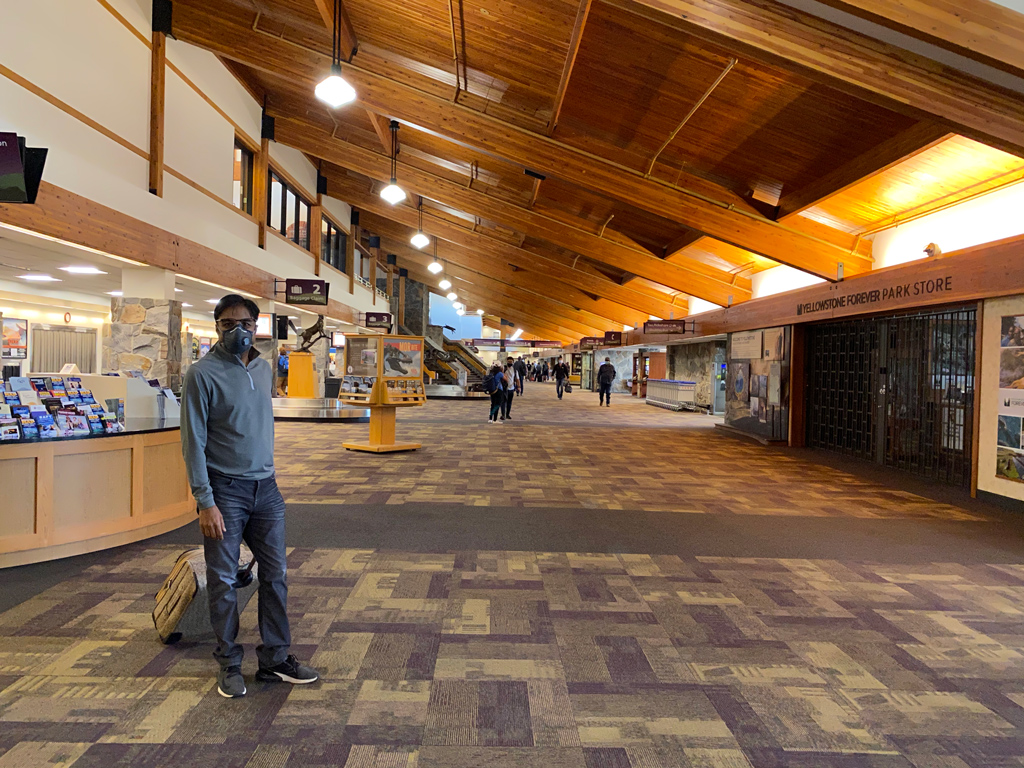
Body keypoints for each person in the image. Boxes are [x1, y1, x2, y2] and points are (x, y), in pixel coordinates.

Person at [180, 294, 319, 699]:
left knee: (275, 576)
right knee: (224, 581)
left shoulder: (262, 367)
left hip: (267, 491)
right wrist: (205, 501)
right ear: (217, 327)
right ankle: (229, 662)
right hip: (225, 492)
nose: (236, 330)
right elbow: (193, 442)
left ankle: (275, 660)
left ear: (256, 326)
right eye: (226, 324)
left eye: (243, 323)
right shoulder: (201, 374)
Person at [502, 356, 519, 420]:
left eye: (511, 362)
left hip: (511, 388)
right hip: (504, 388)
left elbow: (517, 379)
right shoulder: (504, 369)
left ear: (513, 362)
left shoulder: (514, 370)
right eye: (508, 362)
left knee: (509, 402)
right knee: (503, 402)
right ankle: (503, 415)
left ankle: (507, 414)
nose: (509, 363)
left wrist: (518, 386)